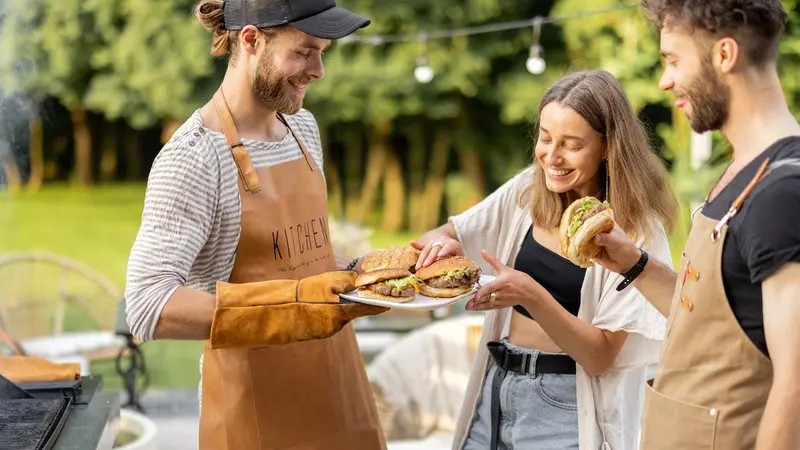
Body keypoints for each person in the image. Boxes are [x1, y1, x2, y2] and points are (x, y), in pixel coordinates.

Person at [123, 1, 389, 449]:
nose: (318, 70)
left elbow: (301, 259)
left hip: (337, 390)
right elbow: (149, 304)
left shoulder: (303, 127)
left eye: (323, 52)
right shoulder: (194, 158)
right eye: (304, 51)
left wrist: (373, 274)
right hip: (255, 414)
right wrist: (294, 307)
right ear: (250, 39)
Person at [412, 69, 679, 450]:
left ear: (607, 147)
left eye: (571, 144)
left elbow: (600, 356)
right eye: (545, 137)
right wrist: (441, 247)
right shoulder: (527, 190)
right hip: (497, 386)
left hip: (565, 407)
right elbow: (443, 234)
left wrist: (531, 296)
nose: (551, 157)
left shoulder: (635, 231)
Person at [589, 1, 800, 449]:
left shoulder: (782, 193)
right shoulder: (740, 174)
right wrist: (635, 265)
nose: (665, 80)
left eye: (673, 60)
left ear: (724, 55)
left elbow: (795, 384)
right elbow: (712, 326)